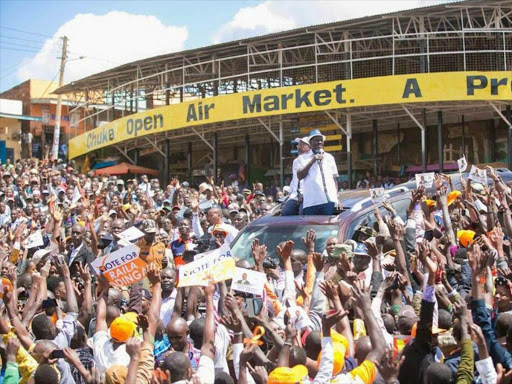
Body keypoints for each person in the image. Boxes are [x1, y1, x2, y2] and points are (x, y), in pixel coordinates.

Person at [297, 129, 339, 215]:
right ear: (310, 143)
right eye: (316, 140)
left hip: (327, 201)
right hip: (311, 202)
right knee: (311, 227)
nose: (319, 142)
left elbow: (334, 179)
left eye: (321, 140)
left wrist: (336, 197)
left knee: (327, 227)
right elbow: (300, 175)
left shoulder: (329, 157)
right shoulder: (303, 158)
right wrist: (313, 160)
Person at [282, 136, 310, 216]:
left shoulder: (310, 160)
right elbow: (295, 179)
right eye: (298, 145)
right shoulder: (296, 161)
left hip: (306, 195)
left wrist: (303, 194)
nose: (298, 147)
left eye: (301, 145)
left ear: (308, 146)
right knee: (286, 212)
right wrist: (290, 193)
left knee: (303, 213)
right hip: (295, 195)